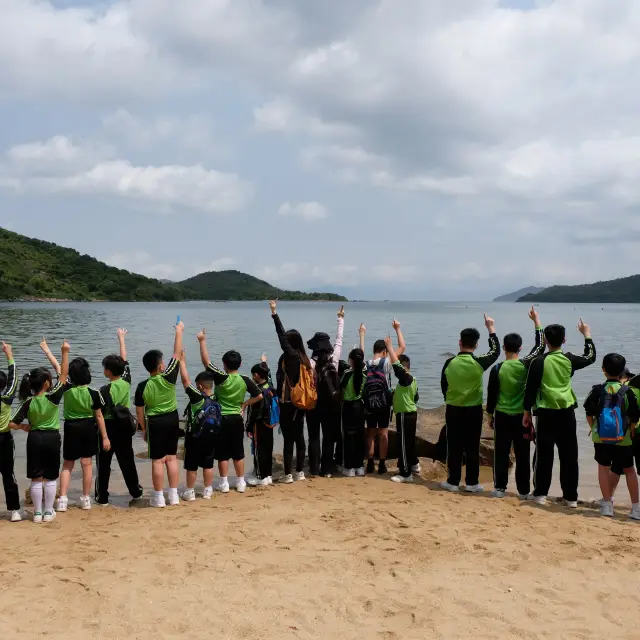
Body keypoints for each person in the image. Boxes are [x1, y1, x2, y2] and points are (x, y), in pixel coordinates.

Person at [523, 319, 596, 507]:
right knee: (569, 456)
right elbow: (590, 357)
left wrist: (526, 413)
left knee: (544, 454)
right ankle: (570, 497)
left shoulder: (538, 361)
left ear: (546, 340)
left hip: (546, 413)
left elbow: (530, 389)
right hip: (567, 414)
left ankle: (540, 494)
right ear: (564, 340)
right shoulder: (569, 359)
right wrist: (586, 334)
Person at [486, 306, 545, 498]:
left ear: (503, 348)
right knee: (522, 455)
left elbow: (491, 394)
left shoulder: (497, 368)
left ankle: (500, 488)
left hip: (502, 416)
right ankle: (523, 491)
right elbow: (540, 346)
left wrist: (489, 415)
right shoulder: (526, 365)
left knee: (501, 453)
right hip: (522, 417)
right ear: (520, 348)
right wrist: (536, 321)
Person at [9, 340, 70, 524]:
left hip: (34, 438)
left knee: (36, 477)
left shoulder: (27, 401)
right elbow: (64, 374)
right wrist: (64, 352)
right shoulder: (52, 397)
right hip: (52, 437)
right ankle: (48, 511)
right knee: (50, 476)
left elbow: (12, 423)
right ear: (46, 383)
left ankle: (37, 513)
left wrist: (23, 427)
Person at [198, 329, 263, 493]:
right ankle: (241, 482)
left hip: (221, 419)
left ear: (224, 365)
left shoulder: (221, 377)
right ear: (240, 364)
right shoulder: (245, 379)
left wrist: (202, 341)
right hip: (237, 418)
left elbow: (206, 362)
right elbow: (260, 396)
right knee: (238, 451)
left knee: (222, 453)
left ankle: (224, 483)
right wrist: (245, 404)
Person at [441, 314, 500, 493]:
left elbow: (444, 386)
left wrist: (451, 399)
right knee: (473, 446)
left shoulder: (449, 363)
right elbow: (496, 351)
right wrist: (491, 328)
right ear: (475, 345)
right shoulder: (479, 362)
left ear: (460, 342)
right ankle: (472, 483)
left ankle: (453, 481)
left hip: (454, 409)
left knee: (454, 446)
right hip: (474, 410)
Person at [584, 354, 640, 519]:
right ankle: (636, 508)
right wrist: (629, 430)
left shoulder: (597, 390)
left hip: (601, 438)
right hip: (624, 439)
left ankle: (607, 505)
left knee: (603, 468)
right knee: (629, 470)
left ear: (603, 370)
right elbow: (634, 417)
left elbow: (589, 412)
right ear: (623, 372)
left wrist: (595, 428)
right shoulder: (628, 392)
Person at [134, 321, 184, 508]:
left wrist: (144, 429)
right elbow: (177, 354)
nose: (165, 363)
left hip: (154, 422)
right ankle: (173, 495)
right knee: (171, 458)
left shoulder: (142, 386)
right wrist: (179, 331)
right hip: (172, 419)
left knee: (157, 460)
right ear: (160, 366)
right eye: (162, 361)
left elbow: (140, 412)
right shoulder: (169, 377)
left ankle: (158, 497)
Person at [95, 328, 143, 505]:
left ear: (108, 371)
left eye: (104, 368)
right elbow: (124, 361)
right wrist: (122, 339)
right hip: (124, 426)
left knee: (104, 464)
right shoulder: (126, 381)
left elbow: (97, 412)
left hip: (107, 427)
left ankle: (102, 497)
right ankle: (135, 491)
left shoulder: (104, 390)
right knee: (127, 460)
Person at [58, 354, 110, 512]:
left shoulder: (66, 389)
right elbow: (99, 415)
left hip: (71, 427)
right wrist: (105, 437)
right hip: (88, 427)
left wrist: (54, 353)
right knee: (87, 464)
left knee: (67, 464)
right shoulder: (93, 392)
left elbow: (61, 371)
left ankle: (63, 499)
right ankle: (86, 499)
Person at [269, 300, 313, 483]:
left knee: (289, 439)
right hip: (301, 402)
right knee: (299, 438)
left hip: (289, 404)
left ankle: (288, 474)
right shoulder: (304, 359)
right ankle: (300, 472)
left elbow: (281, 337)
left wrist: (274, 314)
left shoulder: (292, 357)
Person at [359, 319, 406, 475]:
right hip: (384, 404)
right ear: (385, 351)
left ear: (374, 350)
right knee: (383, 433)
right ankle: (382, 464)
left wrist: (362, 334)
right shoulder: (386, 363)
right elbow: (402, 347)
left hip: (369, 404)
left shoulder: (365, 363)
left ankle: (370, 463)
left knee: (371, 433)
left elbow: (360, 352)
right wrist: (397, 329)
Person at [306, 305, 344, 476]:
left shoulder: (310, 363)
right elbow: (339, 340)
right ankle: (327, 469)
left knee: (314, 436)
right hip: (330, 404)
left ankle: (314, 468)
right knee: (328, 436)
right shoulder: (334, 360)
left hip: (314, 403)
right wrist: (340, 319)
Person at [178, 351, 217, 501]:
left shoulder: (197, 398)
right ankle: (207, 490)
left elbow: (185, 381)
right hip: (211, 434)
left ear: (200, 386)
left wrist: (182, 363)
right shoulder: (215, 398)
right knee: (208, 464)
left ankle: (190, 492)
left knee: (192, 465)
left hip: (195, 436)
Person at [383, 337, 420, 483]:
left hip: (405, 415)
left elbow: (397, 367)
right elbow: (416, 398)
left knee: (403, 444)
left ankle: (405, 473)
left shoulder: (406, 379)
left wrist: (390, 347)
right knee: (409, 441)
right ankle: (415, 464)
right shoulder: (413, 380)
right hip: (411, 413)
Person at [247, 360, 277, 487]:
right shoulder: (270, 387)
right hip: (269, 422)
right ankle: (268, 475)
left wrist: (248, 426)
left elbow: (252, 411)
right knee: (268, 448)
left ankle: (260, 476)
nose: (253, 377)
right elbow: (269, 376)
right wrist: (264, 362)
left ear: (258, 375)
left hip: (258, 423)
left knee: (259, 450)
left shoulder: (257, 391)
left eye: (253, 374)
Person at [0, 342, 22, 521]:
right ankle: (14, 510)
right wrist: (9, 354)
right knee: (8, 473)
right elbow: (13, 378)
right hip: (4, 439)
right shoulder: (6, 398)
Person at [340, 348, 367, 477]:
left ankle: (349, 467)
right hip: (360, 406)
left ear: (351, 360)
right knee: (359, 436)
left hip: (348, 406)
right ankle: (359, 466)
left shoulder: (347, 373)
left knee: (349, 437)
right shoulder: (365, 372)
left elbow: (341, 388)